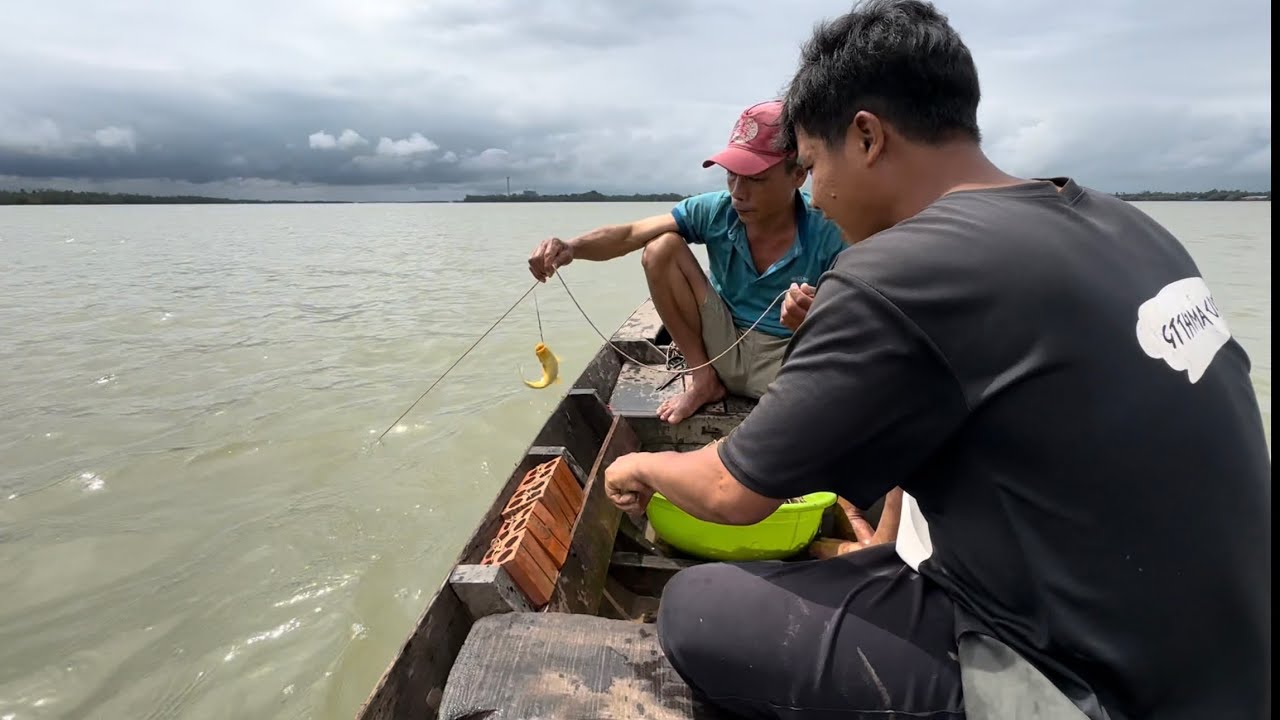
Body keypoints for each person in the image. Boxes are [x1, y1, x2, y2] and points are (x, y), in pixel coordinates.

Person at [603, 1, 1271, 719]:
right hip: (1237, 658)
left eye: (811, 164)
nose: (816, 195)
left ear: (865, 137)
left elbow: (732, 494)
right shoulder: (1130, 226)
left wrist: (637, 465)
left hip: (1105, 693)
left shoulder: (900, 271)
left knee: (697, 608)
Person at [527, 100, 848, 425]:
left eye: (755, 179)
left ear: (797, 174)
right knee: (661, 247)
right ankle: (703, 380)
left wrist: (818, 314)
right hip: (723, 342)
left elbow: (866, 314)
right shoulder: (717, 210)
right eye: (732, 176)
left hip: (786, 358)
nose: (738, 192)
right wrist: (570, 248)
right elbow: (630, 234)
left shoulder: (831, 227)